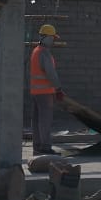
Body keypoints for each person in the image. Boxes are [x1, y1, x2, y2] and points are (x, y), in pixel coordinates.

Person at [30, 24, 65, 155]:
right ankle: (45, 147)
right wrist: (58, 89)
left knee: (37, 120)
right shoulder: (44, 53)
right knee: (45, 121)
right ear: (46, 37)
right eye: (52, 38)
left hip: (36, 92)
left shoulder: (36, 51)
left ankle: (37, 147)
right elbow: (51, 73)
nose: (53, 40)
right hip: (45, 93)